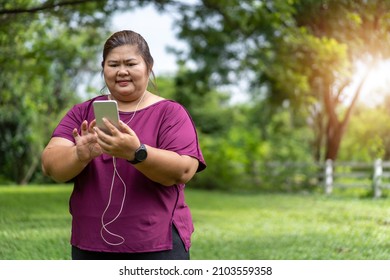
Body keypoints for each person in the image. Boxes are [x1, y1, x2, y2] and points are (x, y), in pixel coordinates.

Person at [41, 30, 206, 260]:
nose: (121, 71)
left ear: (148, 66)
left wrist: (136, 153)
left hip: (157, 244)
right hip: (90, 243)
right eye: (113, 64)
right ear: (103, 68)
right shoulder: (83, 112)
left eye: (130, 63)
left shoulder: (170, 113)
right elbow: (50, 165)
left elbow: (184, 170)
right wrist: (79, 155)